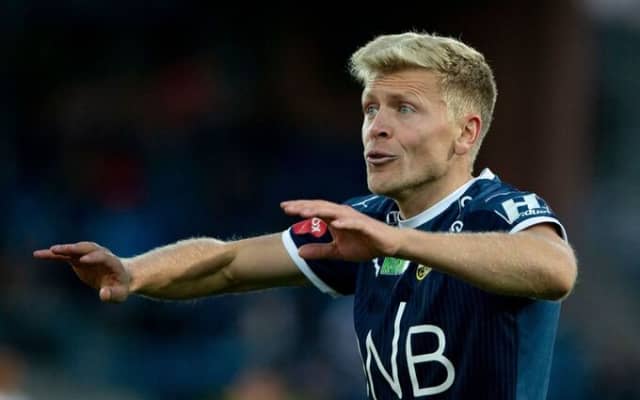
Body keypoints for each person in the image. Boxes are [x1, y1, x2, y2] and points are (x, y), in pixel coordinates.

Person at [34, 32, 577, 399]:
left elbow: (556, 268)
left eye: (404, 109)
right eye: (371, 108)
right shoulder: (366, 221)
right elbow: (228, 264)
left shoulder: (496, 209)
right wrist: (134, 271)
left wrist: (399, 243)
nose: (376, 127)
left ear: (466, 132)